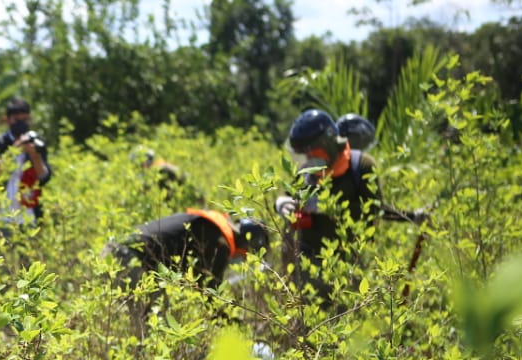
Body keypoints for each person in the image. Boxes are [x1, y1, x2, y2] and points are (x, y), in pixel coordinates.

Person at [276, 108, 426, 303]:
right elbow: (288, 194)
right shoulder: (308, 171)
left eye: (312, 154)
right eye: (304, 156)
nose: (308, 161)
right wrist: (281, 202)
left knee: (345, 319)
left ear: (327, 144)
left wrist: (327, 206)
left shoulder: (361, 165)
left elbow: (374, 208)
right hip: (308, 262)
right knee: (308, 325)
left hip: (348, 262)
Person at [107, 209, 270, 289]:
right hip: (128, 259)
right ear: (245, 246)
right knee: (155, 320)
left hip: (111, 252)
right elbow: (210, 292)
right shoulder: (219, 244)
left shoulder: (209, 226)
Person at [0, 97, 52, 227]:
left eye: (25, 120)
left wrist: (35, 155)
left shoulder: (36, 143)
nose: (21, 124)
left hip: (29, 218)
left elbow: (44, 178)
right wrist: (14, 150)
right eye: (17, 120)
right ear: (7, 120)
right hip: (2, 218)